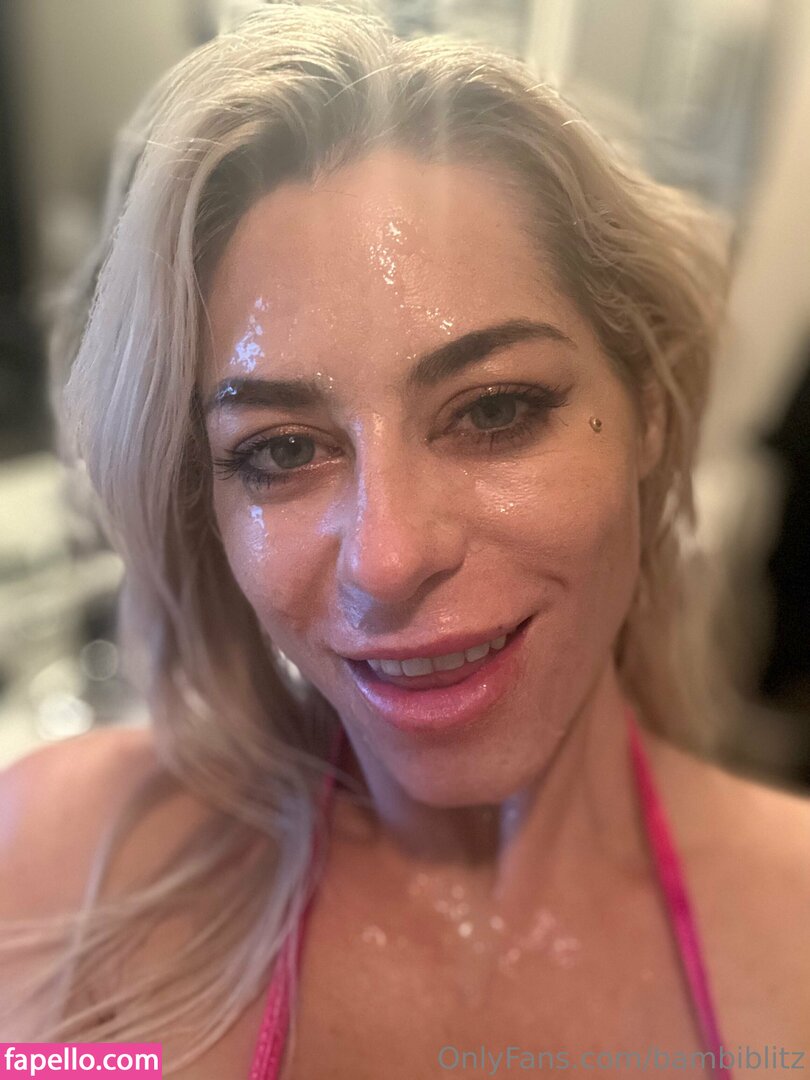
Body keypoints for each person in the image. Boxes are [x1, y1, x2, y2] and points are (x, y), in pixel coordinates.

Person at [2, 3, 809, 1076]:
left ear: (649, 413)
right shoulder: (55, 869)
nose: (385, 559)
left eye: (494, 411)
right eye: (281, 450)